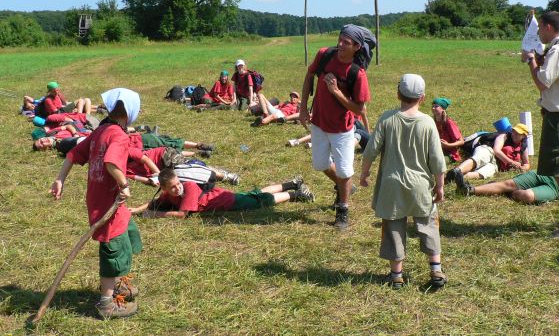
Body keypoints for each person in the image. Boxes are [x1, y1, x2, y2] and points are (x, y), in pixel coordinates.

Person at [50, 88, 142, 318]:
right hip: (107, 206)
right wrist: (124, 184)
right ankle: (106, 303)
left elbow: (73, 154)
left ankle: (120, 282)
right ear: (129, 114)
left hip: (101, 200)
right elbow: (111, 163)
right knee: (112, 249)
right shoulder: (119, 136)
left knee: (128, 235)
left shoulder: (101, 130)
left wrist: (59, 178)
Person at [360, 74, 447, 289]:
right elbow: (437, 159)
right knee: (428, 224)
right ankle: (436, 270)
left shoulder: (387, 118)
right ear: (423, 97)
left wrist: (364, 174)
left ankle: (396, 275)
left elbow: (370, 150)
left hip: (392, 185)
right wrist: (440, 185)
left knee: (393, 227)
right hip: (420, 186)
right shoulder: (427, 122)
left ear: (398, 93)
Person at [299, 24, 371, 229]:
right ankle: (344, 186)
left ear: (356, 47)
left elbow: (358, 110)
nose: (339, 44)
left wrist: (336, 92)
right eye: (339, 39)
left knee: (345, 170)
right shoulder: (324, 54)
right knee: (320, 164)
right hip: (319, 123)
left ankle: (343, 209)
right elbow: (309, 76)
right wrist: (303, 107)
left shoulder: (357, 74)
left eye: (345, 42)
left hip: (342, 130)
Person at [522, 11, 559, 239]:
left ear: (547, 26)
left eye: (539, 29)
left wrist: (531, 60)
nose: (538, 33)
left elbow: (542, 82)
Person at [465, 131, 559, 203]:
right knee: (509, 183)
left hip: (558, 188)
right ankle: (470, 190)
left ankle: (501, 190)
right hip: (547, 174)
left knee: (526, 196)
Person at [128, 168, 314, 218]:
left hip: (227, 202)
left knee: (261, 200)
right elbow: (154, 204)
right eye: (173, 188)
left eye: (178, 184)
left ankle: (296, 194)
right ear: (164, 188)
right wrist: (136, 210)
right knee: (255, 193)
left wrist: (154, 215)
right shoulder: (168, 194)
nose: (178, 189)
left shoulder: (190, 187)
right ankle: (292, 183)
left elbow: (181, 215)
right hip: (224, 196)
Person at [449, 124, 530, 189]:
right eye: (514, 131)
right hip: (489, 150)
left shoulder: (523, 146)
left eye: (518, 133)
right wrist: (511, 162)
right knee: (479, 158)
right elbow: (496, 150)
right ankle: (457, 170)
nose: (514, 134)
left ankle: (457, 177)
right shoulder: (504, 136)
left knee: (483, 173)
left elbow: (527, 163)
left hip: (497, 165)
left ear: (524, 136)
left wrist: (523, 168)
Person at [431, 97, 464, 163]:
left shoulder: (449, 123)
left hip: (450, 153)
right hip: (438, 150)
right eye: (432, 106)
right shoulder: (432, 121)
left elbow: (461, 141)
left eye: (436, 106)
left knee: (436, 162)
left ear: (443, 109)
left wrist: (448, 145)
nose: (433, 108)